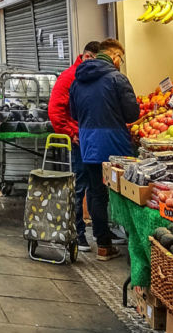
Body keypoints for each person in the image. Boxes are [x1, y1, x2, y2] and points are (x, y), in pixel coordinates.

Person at [68, 37, 140, 261]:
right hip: (115, 145)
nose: (120, 62)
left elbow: (74, 113)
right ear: (114, 56)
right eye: (121, 58)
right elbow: (132, 113)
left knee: (96, 193)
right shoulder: (117, 78)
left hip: (88, 144)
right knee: (125, 193)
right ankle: (134, 245)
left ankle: (103, 246)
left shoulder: (78, 80)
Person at [49, 41, 100, 253]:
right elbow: (55, 111)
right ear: (88, 57)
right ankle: (77, 233)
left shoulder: (95, 77)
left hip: (96, 138)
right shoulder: (70, 77)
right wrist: (72, 133)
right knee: (79, 187)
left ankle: (100, 231)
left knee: (97, 187)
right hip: (81, 140)